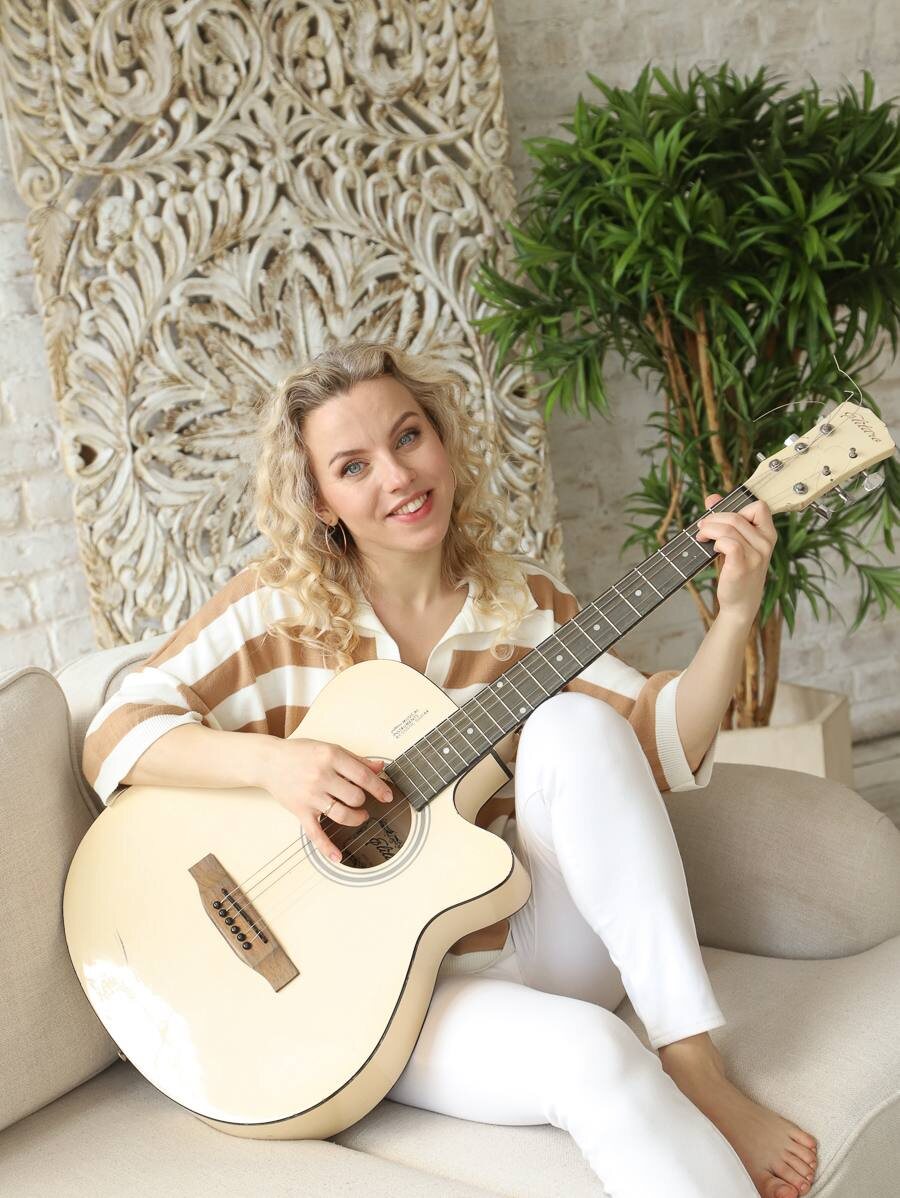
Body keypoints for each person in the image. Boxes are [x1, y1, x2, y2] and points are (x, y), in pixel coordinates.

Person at [82, 340, 818, 1198]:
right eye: (353, 466)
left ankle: (692, 1059)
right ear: (319, 500)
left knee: (577, 725)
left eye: (409, 436)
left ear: (442, 438)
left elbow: (658, 747)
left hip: (530, 938)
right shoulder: (273, 609)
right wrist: (277, 765)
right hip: (382, 1000)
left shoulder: (522, 602)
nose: (398, 476)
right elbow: (115, 733)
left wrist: (734, 616)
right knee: (595, 1057)